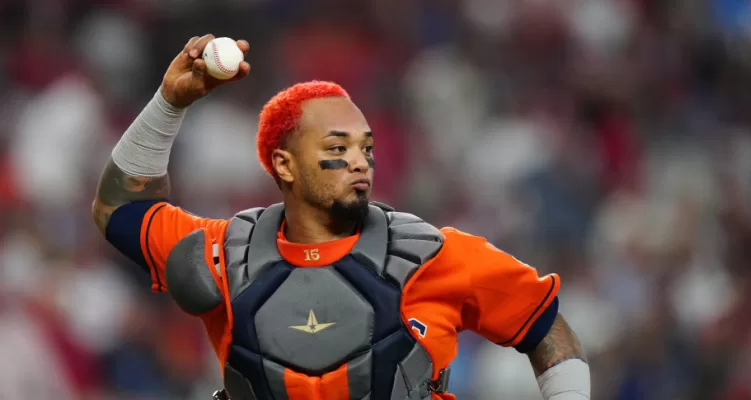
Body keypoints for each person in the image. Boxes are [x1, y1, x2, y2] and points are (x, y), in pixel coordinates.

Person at [92, 34, 590, 400]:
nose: (359, 160)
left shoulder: (434, 254)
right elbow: (119, 208)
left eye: (366, 147)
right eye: (337, 147)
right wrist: (169, 104)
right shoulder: (225, 253)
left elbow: (545, 327)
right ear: (284, 165)